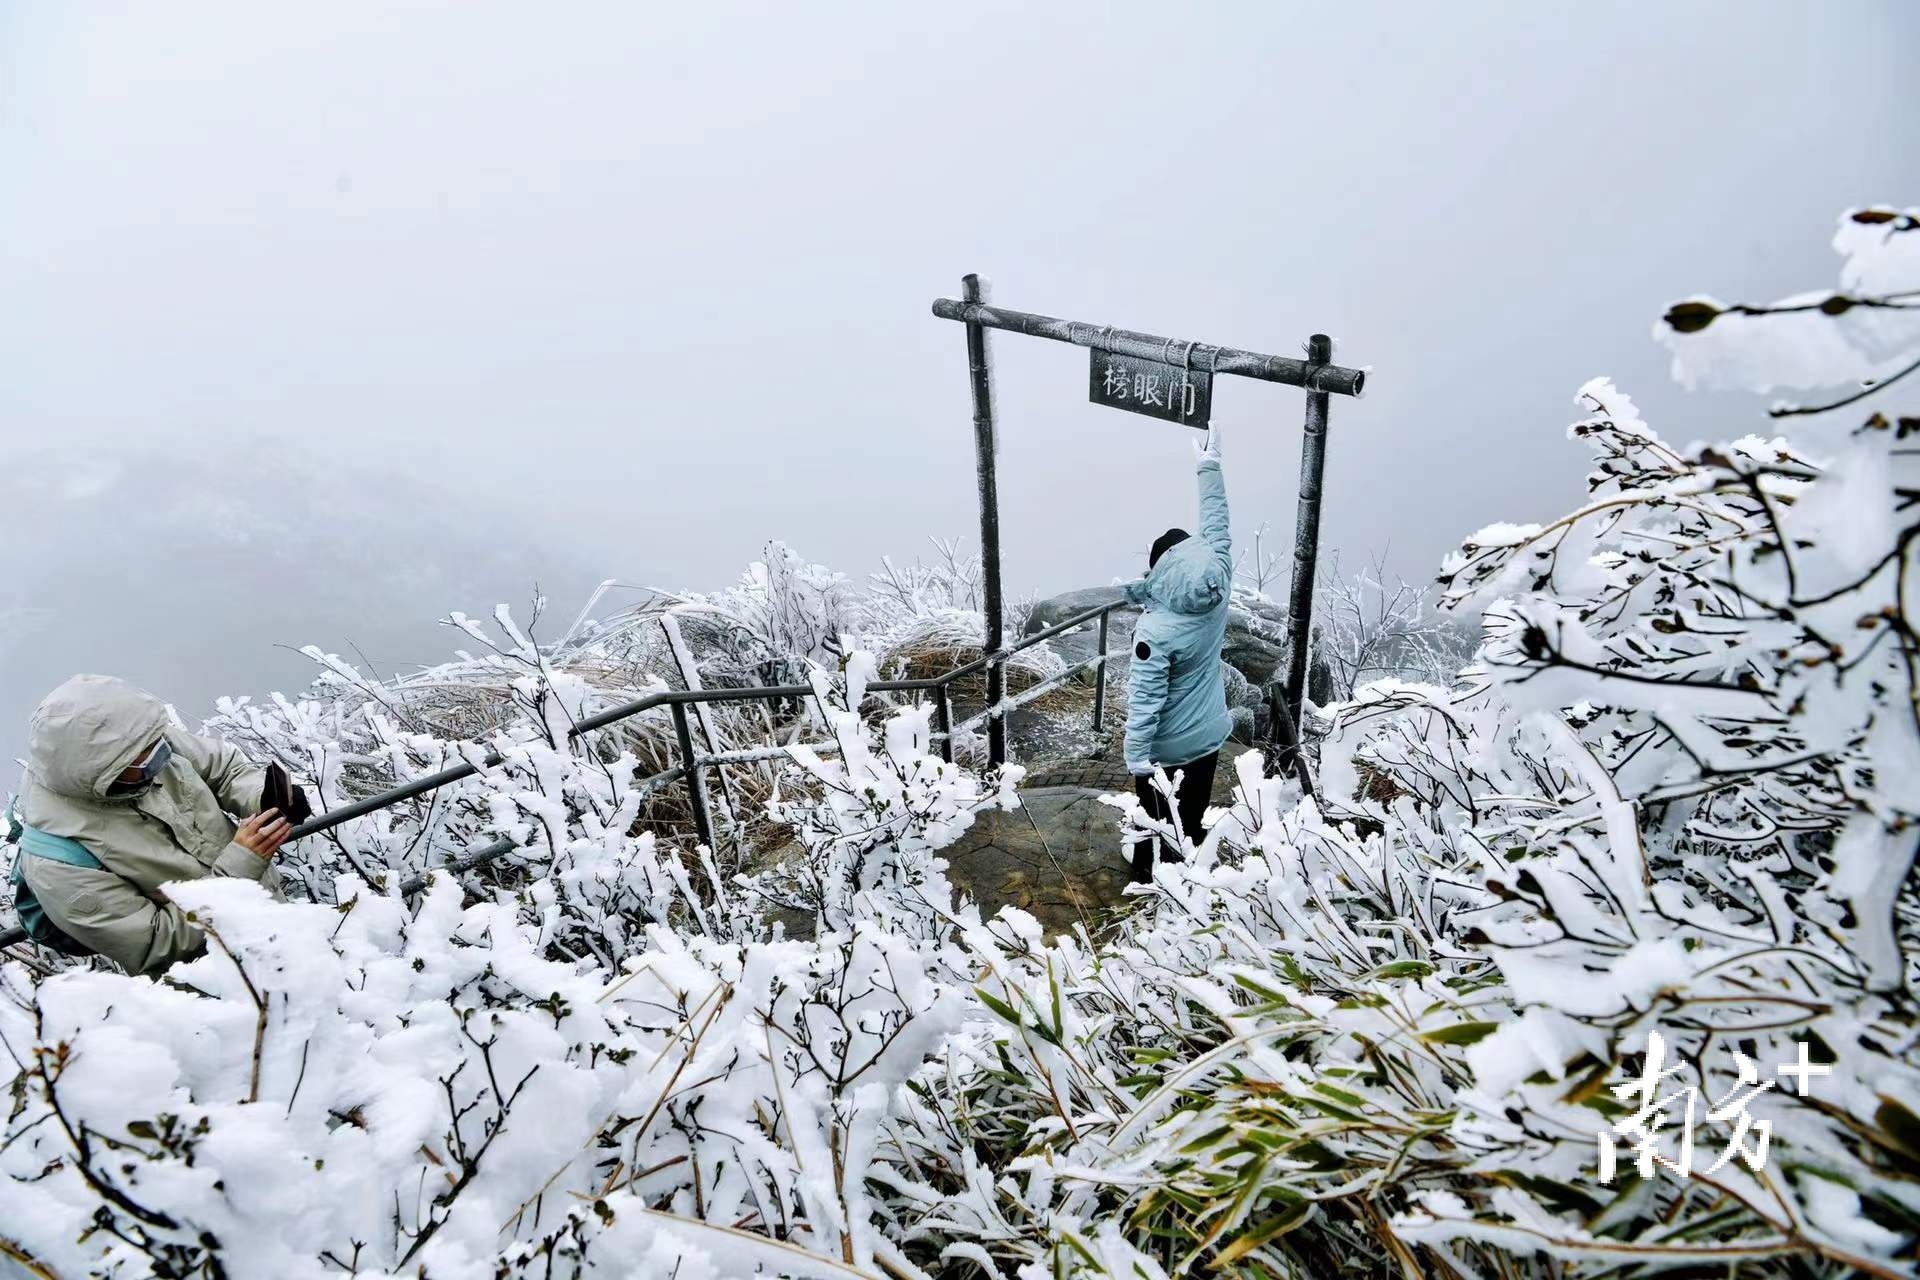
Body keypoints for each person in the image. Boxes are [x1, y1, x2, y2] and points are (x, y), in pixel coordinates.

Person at [10, 674, 294, 974]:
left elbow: (222, 768)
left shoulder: (141, 742)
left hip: (275, 922)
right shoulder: (58, 861)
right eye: (146, 758)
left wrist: (262, 797)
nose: (161, 757)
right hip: (216, 982)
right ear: (103, 771)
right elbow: (155, 944)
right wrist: (238, 870)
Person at [1122, 424, 1232, 884]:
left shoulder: (1156, 629)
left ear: (1159, 570)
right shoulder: (1218, 584)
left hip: (1166, 750)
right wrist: (1208, 466)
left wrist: (1135, 757)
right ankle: (1188, 884)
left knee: (1155, 825)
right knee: (1190, 820)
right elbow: (1217, 524)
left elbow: (1145, 701)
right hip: (1209, 736)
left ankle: (1150, 885)